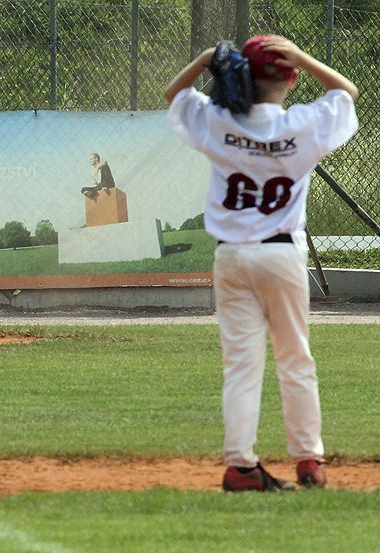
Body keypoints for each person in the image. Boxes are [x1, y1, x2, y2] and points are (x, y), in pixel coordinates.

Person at [164, 35, 358, 491]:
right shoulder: (304, 125)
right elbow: (347, 92)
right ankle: (309, 461)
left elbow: (174, 96)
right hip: (281, 254)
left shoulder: (217, 123)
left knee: (241, 366)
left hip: (231, 257)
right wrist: (307, 57)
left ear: (241, 77)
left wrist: (205, 60)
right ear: (290, 77)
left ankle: (240, 466)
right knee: (296, 359)